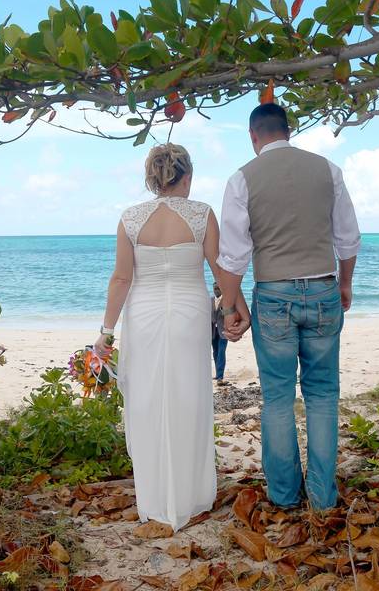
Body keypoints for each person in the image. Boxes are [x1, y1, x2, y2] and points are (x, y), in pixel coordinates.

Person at [93, 143, 250, 531]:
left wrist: (106, 333)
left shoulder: (130, 218)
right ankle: (191, 495)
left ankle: (156, 497)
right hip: (188, 314)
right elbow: (221, 270)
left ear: (152, 178)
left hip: (143, 316)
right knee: (188, 396)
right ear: (188, 176)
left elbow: (122, 279)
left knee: (147, 401)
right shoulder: (202, 214)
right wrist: (233, 310)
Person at [217, 103, 361, 511]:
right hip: (322, 288)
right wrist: (345, 283)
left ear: (253, 136)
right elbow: (347, 238)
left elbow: (233, 257)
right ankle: (321, 496)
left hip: (274, 295)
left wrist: (230, 309)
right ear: (288, 130)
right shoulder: (328, 170)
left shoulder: (242, 178)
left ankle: (282, 496)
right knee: (322, 395)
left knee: (277, 398)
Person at [211, 283, 228, 382]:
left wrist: (223, 309)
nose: (216, 290)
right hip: (213, 331)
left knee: (221, 352)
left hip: (223, 331)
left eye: (218, 288)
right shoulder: (210, 300)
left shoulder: (226, 300)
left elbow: (230, 313)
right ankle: (218, 374)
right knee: (215, 352)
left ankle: (220, 376)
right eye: (214, 288)